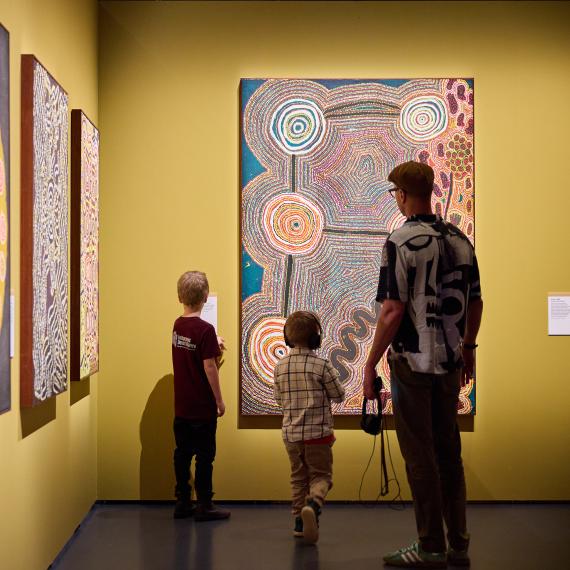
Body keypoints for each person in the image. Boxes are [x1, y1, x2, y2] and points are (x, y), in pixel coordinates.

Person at [363, 161, 483, 568]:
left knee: (420, 456)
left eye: (395, 192)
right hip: (450, 364)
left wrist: (369, 364)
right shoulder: (460, 240)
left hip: (412, 365)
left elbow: (393, 310)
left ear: (402, 194)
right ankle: (459, 542)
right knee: (449, 451)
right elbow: (477, 300)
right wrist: (468, 347)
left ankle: (430, 545)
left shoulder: (399, 241)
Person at [273, 311, 345, 544]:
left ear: (287, 337)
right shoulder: (321, 364)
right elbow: (339, 394)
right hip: (318, 435)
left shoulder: (280, 366)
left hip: (291, 436)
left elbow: (278, 399)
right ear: (316, 338)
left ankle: (298, 523)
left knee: (298, 479)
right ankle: (313, 504)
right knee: (321, 477)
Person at [171, 270, 230, 521]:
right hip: (202, 407)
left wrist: (212, 344)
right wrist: (219, 399)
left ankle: (183, 501)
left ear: (180, 296)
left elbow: (190, 349)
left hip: (182, 407)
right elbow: (208, 367)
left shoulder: (178, 324)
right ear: (205, 296)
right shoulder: (206, 330)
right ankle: (205, 504)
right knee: (205, 457)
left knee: (182, 454)